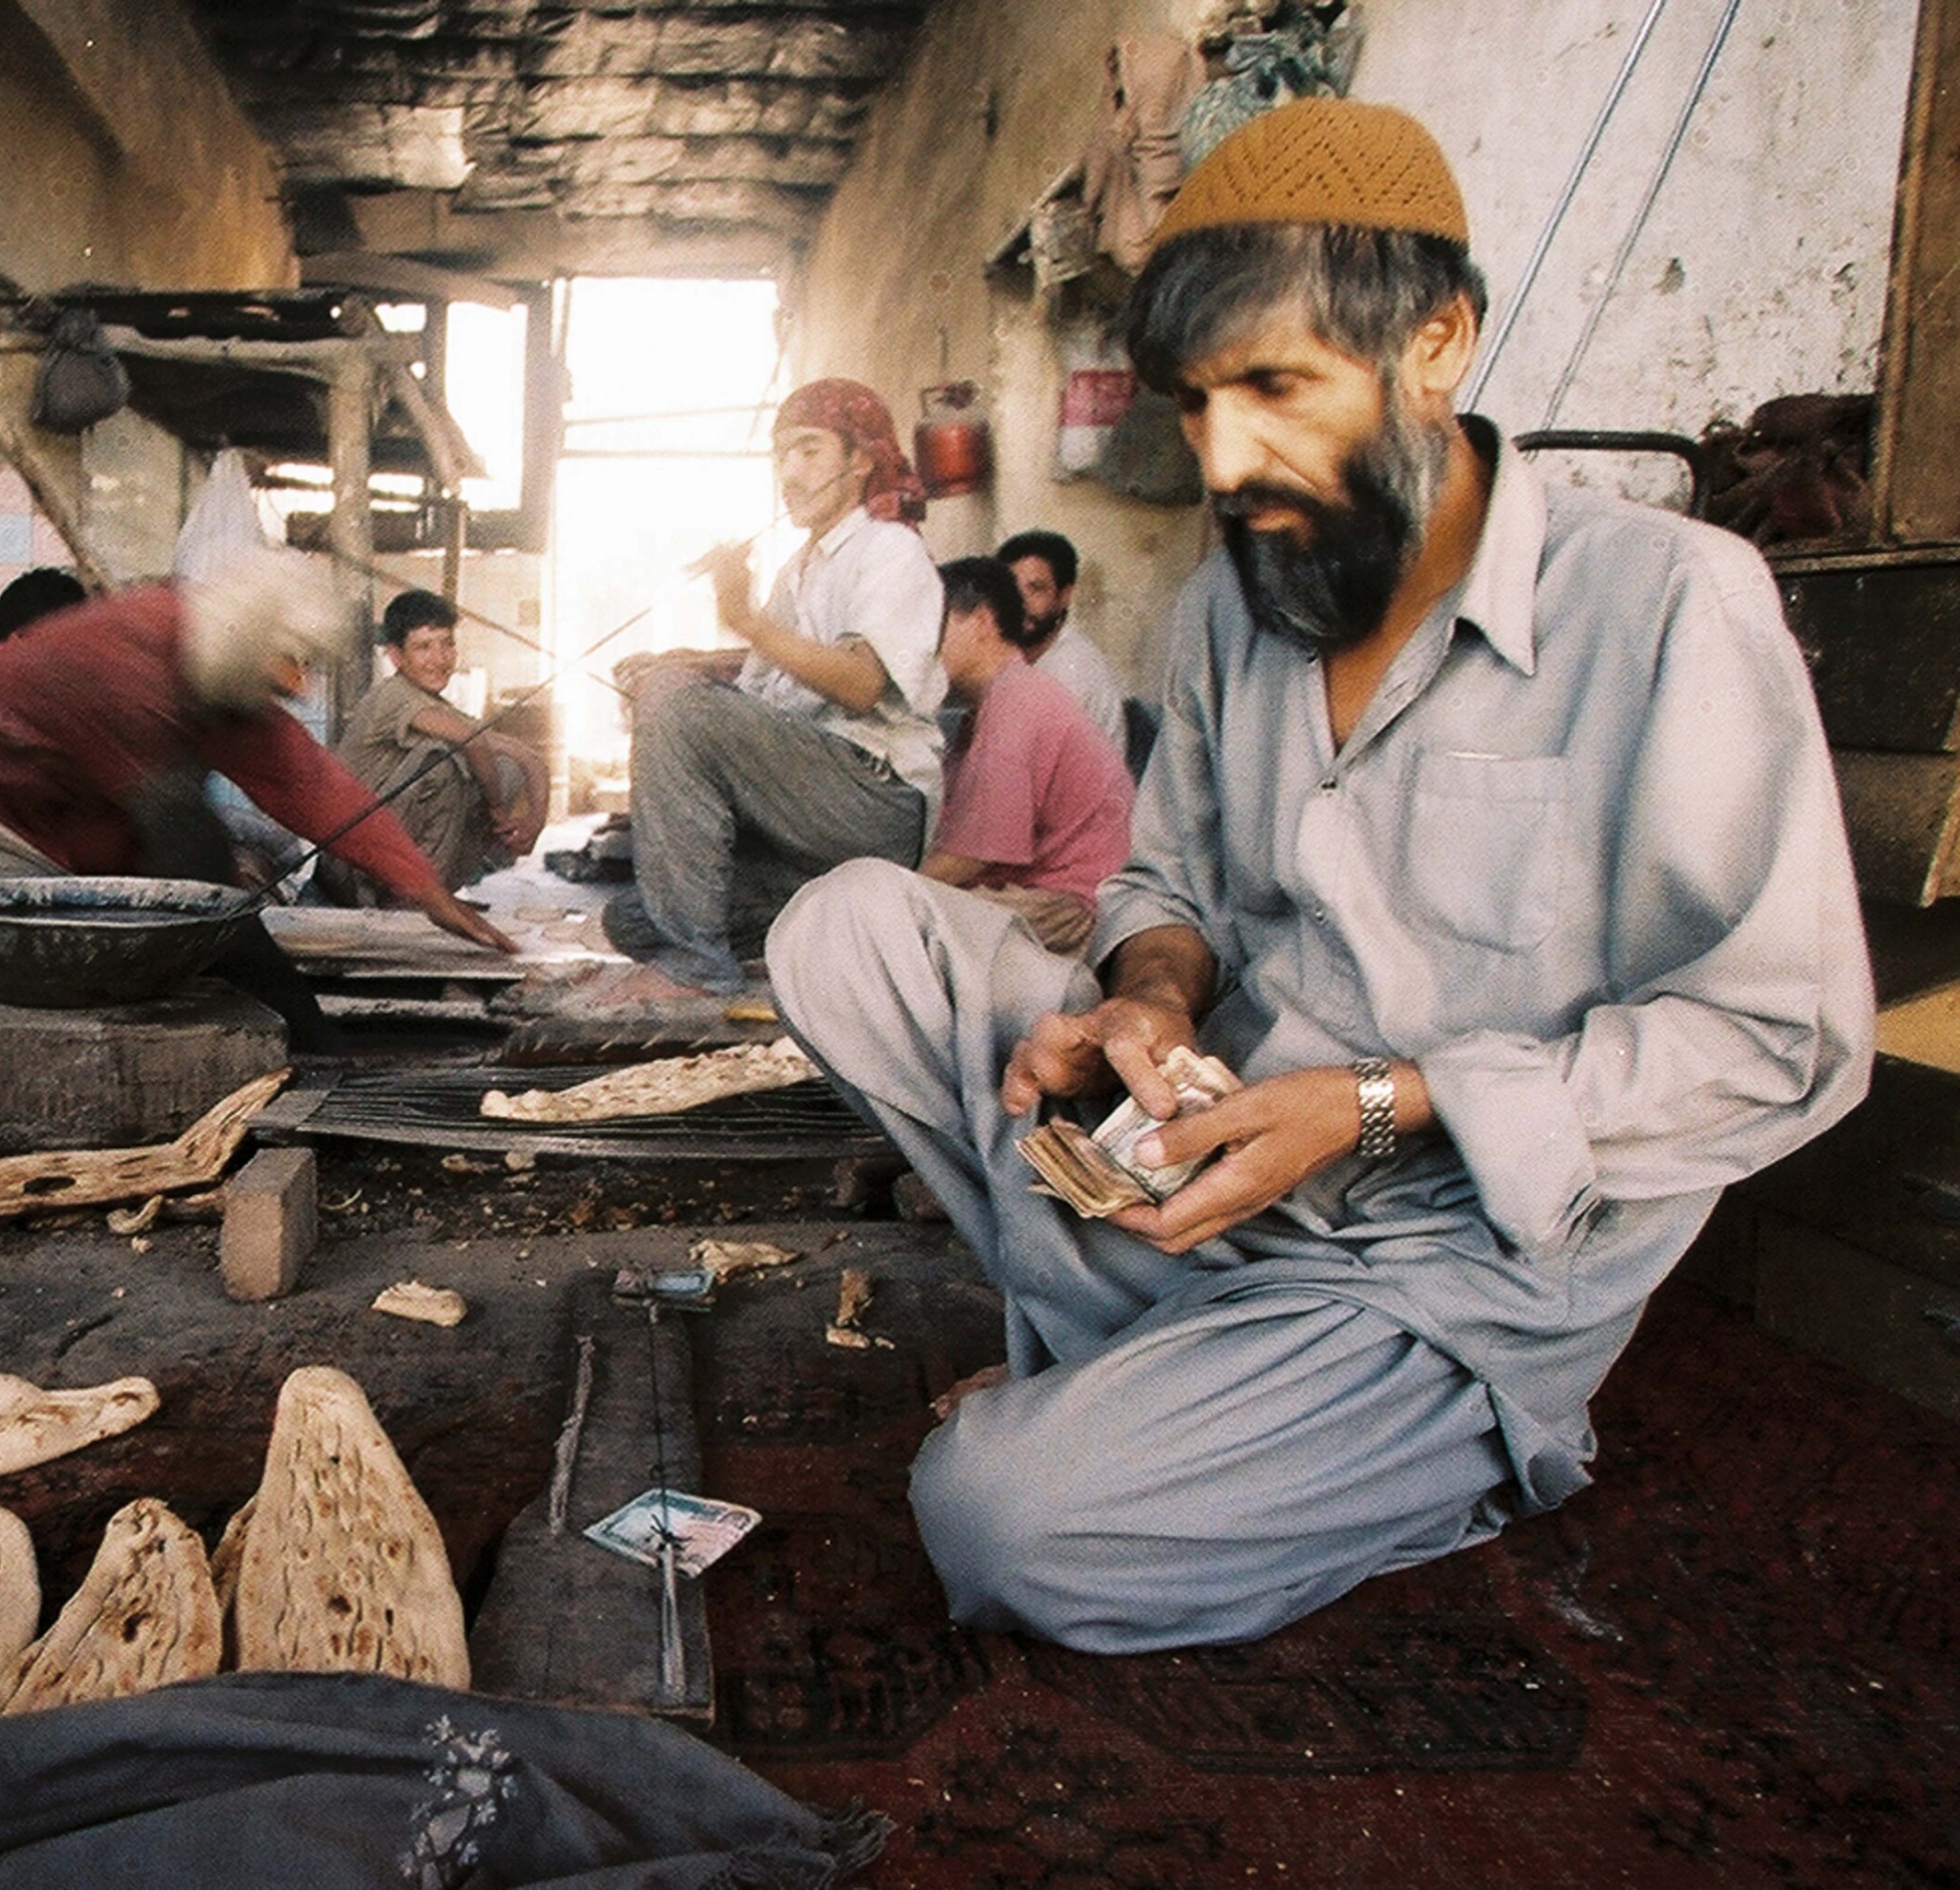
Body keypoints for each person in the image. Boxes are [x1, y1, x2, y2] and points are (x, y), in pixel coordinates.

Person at [767, 98, 1872, 1652]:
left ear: (1435, 345)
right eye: (1196, 404)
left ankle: (1351, 1429)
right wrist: (1149, 1002)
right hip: (1210, 1158)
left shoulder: (1670, 605)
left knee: (1002, 1521)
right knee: (844, 929)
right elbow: (1170, 888)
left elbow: (1780, 1042)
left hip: (1440, 1265)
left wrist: (1369, 1103)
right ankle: (1175, 1379)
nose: (1226, 461)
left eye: (1276, 388)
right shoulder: (1234, 606)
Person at [0, 548, 515, 1044]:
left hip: (56, 855)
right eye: (294, 663)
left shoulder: (212, 666)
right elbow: (191, 857)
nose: (301, 687)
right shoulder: (132, 660)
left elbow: (306, 781)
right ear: (253, 639)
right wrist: (301, 1025)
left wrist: (426, 890)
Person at [598, 378, 947, 1001]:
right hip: (811, 801)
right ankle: (812, 943)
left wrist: (744, 622)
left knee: (674, 704)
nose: (790, 472)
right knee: (630, 919)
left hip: (875, 799)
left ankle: (697, 965)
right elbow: (760, 698)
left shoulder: (890, 550)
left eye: (809, 450)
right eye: (782, 455)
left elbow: (862, 684)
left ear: (861, 460)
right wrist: (687, 674)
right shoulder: (800, 569)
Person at [921, 556, 1134, 957]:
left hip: (1068, 904)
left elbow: (974, 855)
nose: (921, 642)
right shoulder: (999, 700)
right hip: (1039, 893)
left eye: (933, 624)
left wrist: (894, 884)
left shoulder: (1017, 701)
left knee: (890, 919)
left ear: (982, 623)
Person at [321, 590, 550, 902]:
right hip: (349, 862)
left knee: (506, 769)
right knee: (441, 763)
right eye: (424, 647)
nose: (440, 660)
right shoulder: (393, 694)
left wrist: (534, 825)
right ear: (396, 656)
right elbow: (471, 740)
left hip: (390, 851)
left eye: (447, 644)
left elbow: (528, 757)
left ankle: (432, 892)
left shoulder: (439, 707)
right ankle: (411, 900)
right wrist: (497, 809)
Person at [992, 530, 1129, 759]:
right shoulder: (1016, 654)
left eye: (1035, 589)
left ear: (1064, 596)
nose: (1019, 603)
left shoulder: (1072, 670)